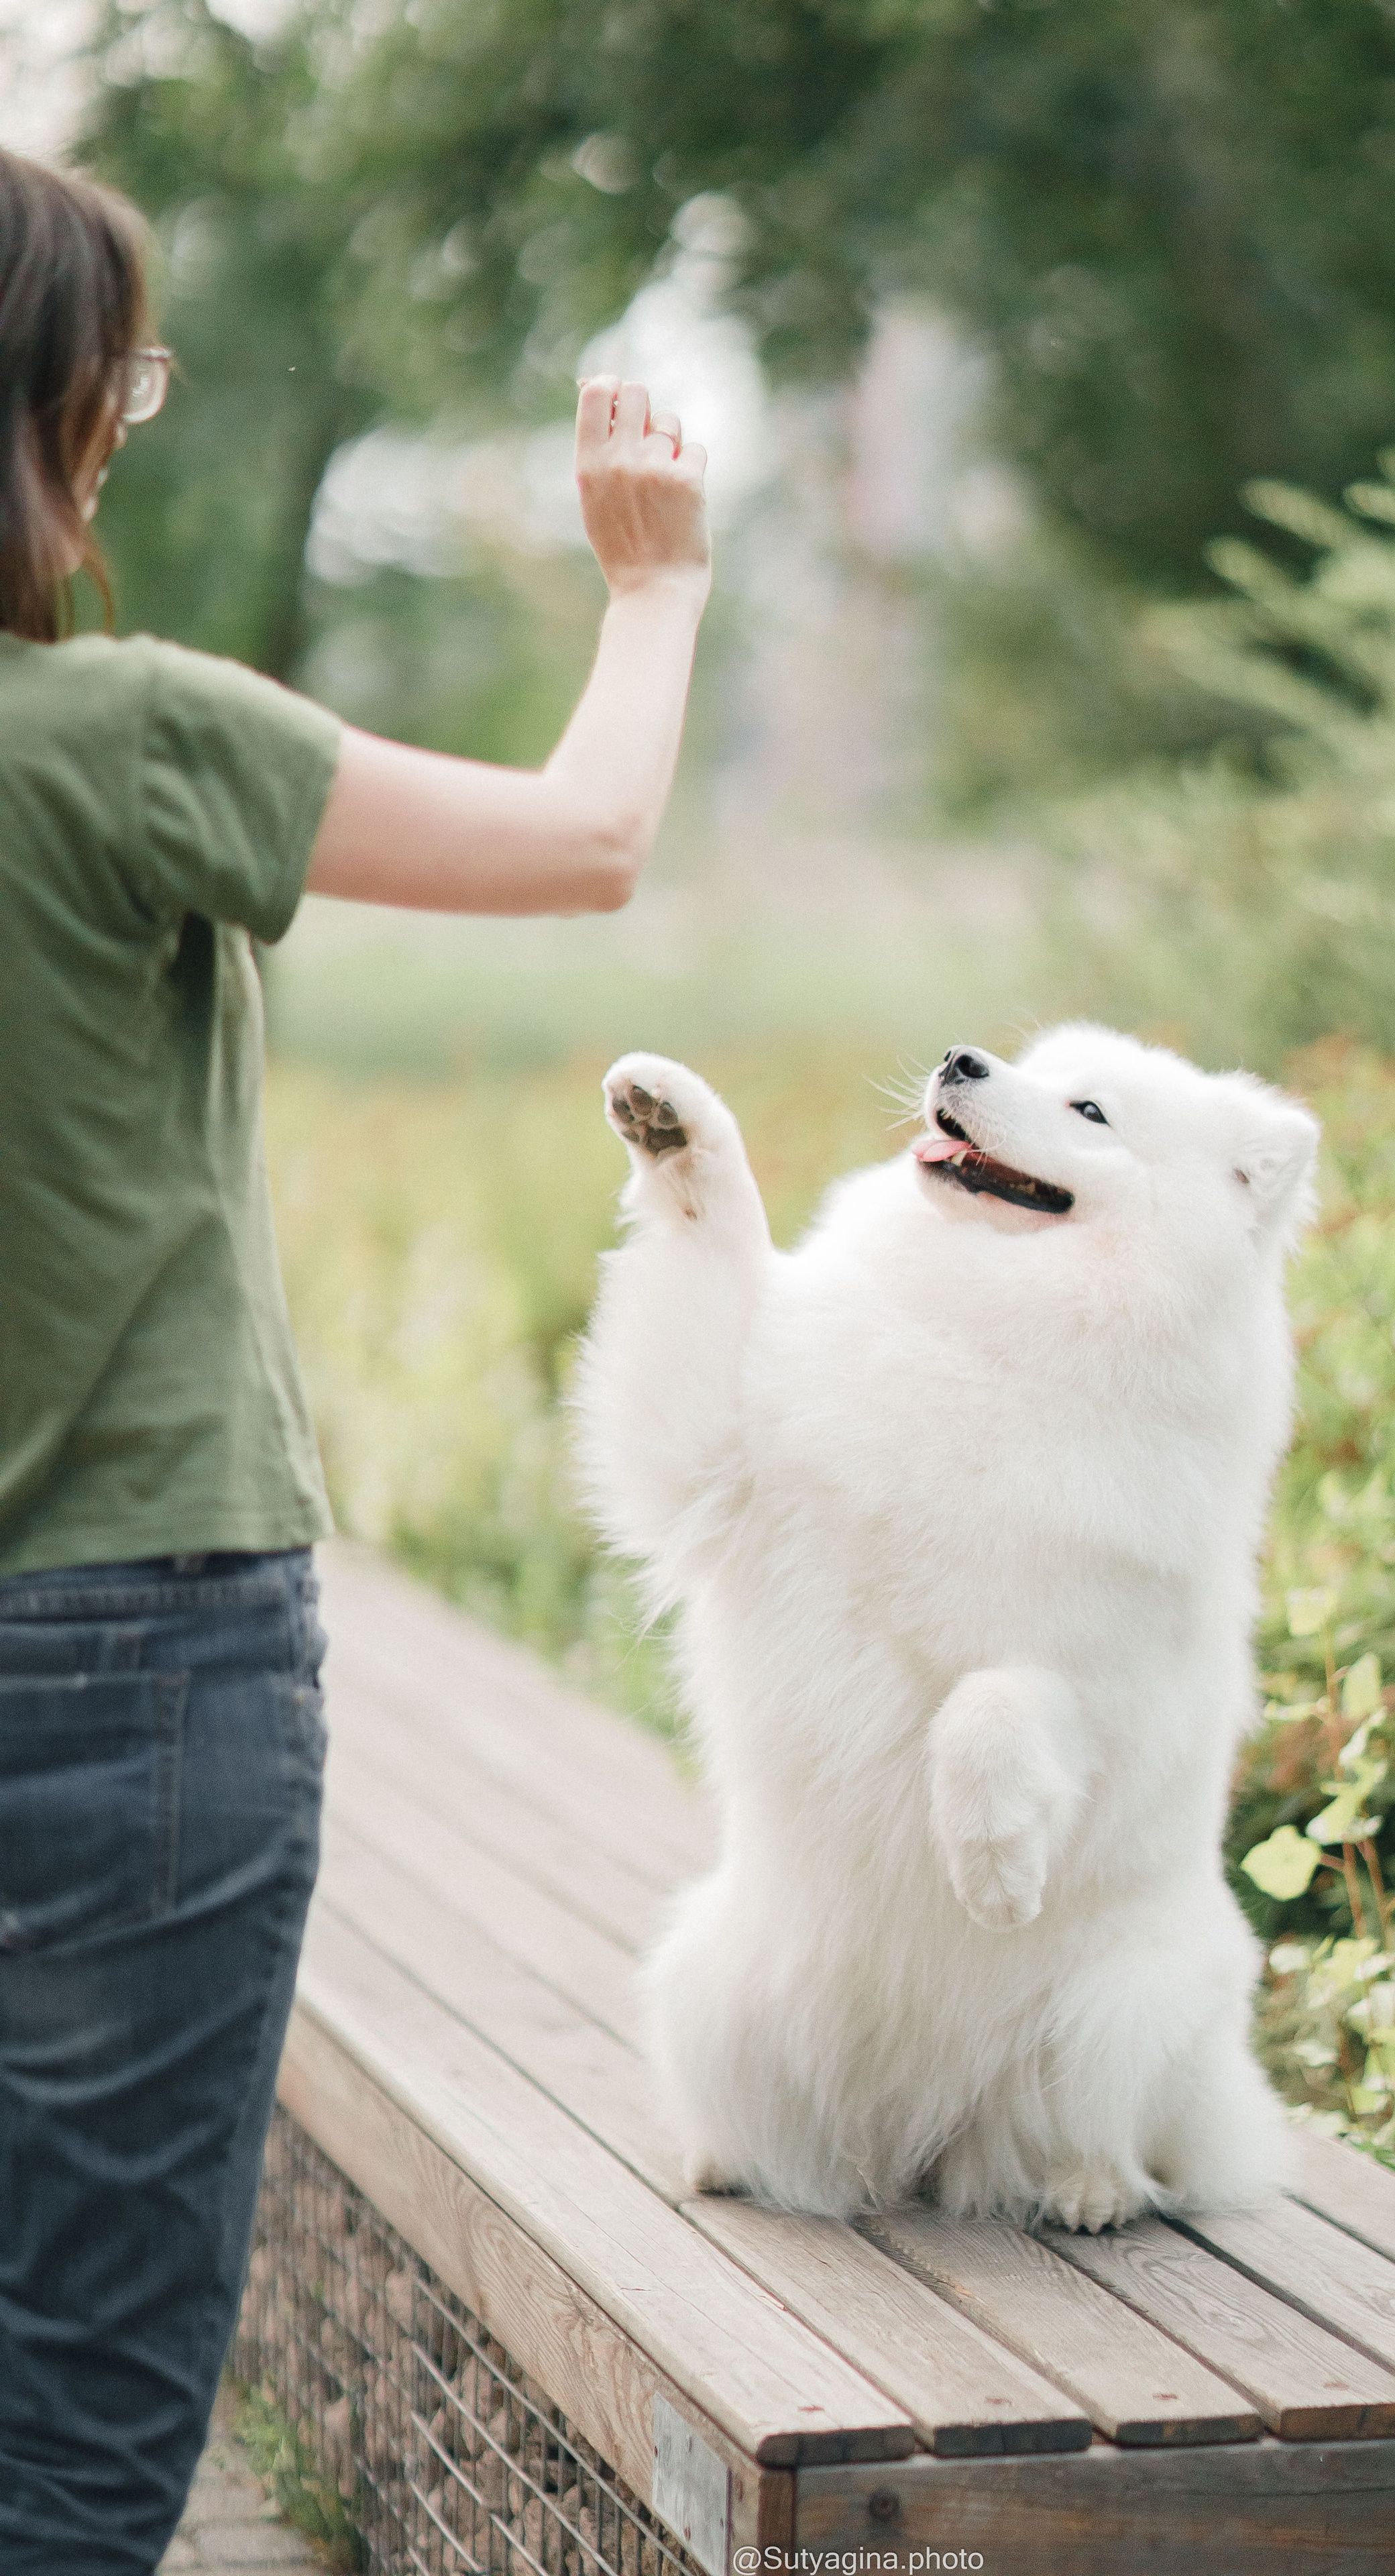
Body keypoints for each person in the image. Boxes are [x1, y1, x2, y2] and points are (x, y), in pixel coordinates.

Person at [0, 148, 711, 2571]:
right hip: (133, 1664)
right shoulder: (117, 742)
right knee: (81, 2447)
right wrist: (658, 583)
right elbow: (588, 841)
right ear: (62, 412)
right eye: (127, 383)